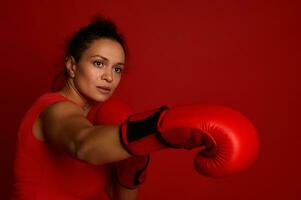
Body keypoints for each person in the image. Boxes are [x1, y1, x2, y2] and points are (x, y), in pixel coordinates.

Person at [13, 16, 259, 200]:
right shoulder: (53, 110)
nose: (109, 77)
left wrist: (133, 163)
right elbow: (82, 144)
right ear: (72, 65)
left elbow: (120, 197)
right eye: (99, 63)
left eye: (117, 68)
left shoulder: (102, 124)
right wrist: (160, 129)